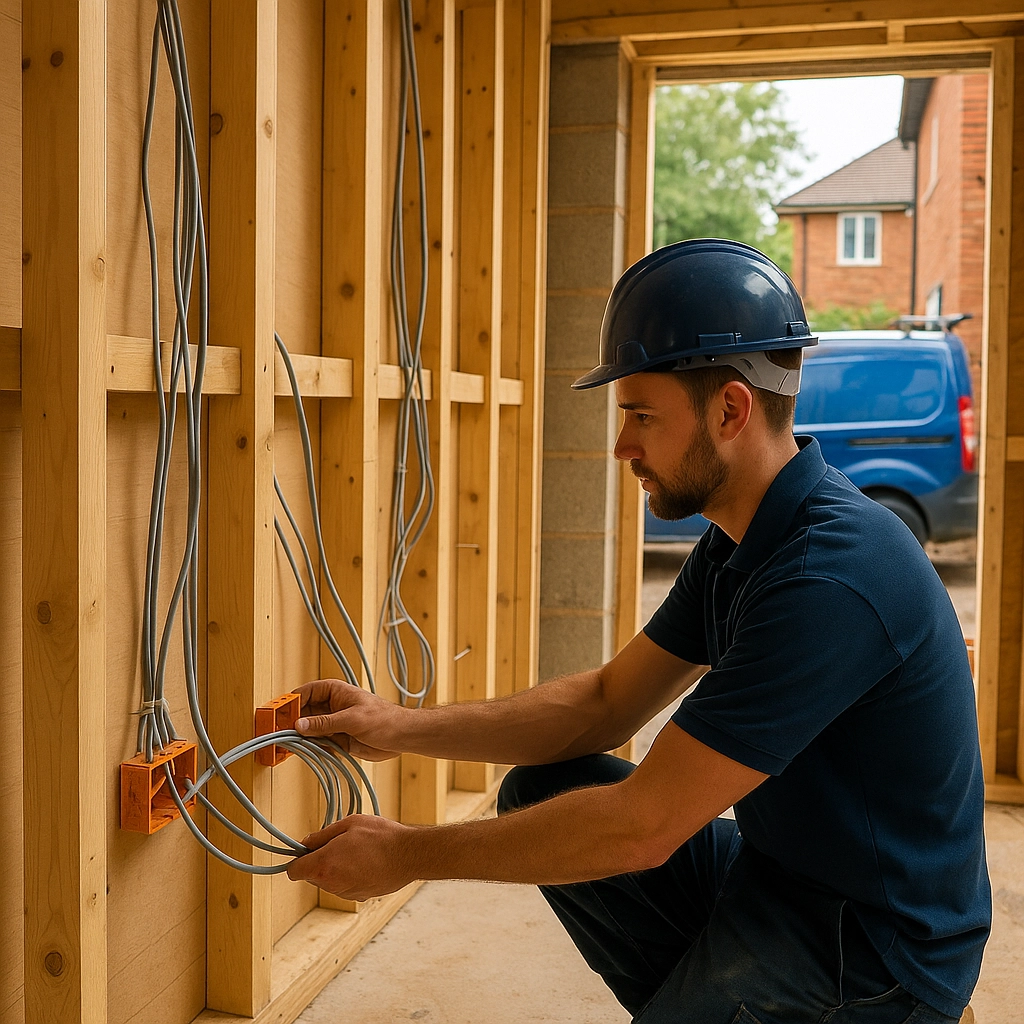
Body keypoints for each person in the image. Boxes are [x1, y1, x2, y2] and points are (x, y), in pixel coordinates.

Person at [287, 239, 990, 1024]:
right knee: (545, 786)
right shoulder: (738, 542)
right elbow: (601, 703)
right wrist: (400, 727)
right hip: (785, 878)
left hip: (877, 951)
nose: (622, 447)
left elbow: (643, 829)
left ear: (731, 410)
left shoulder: (827, 578)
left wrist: (405, 853)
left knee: (609, 826)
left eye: (641, 416)